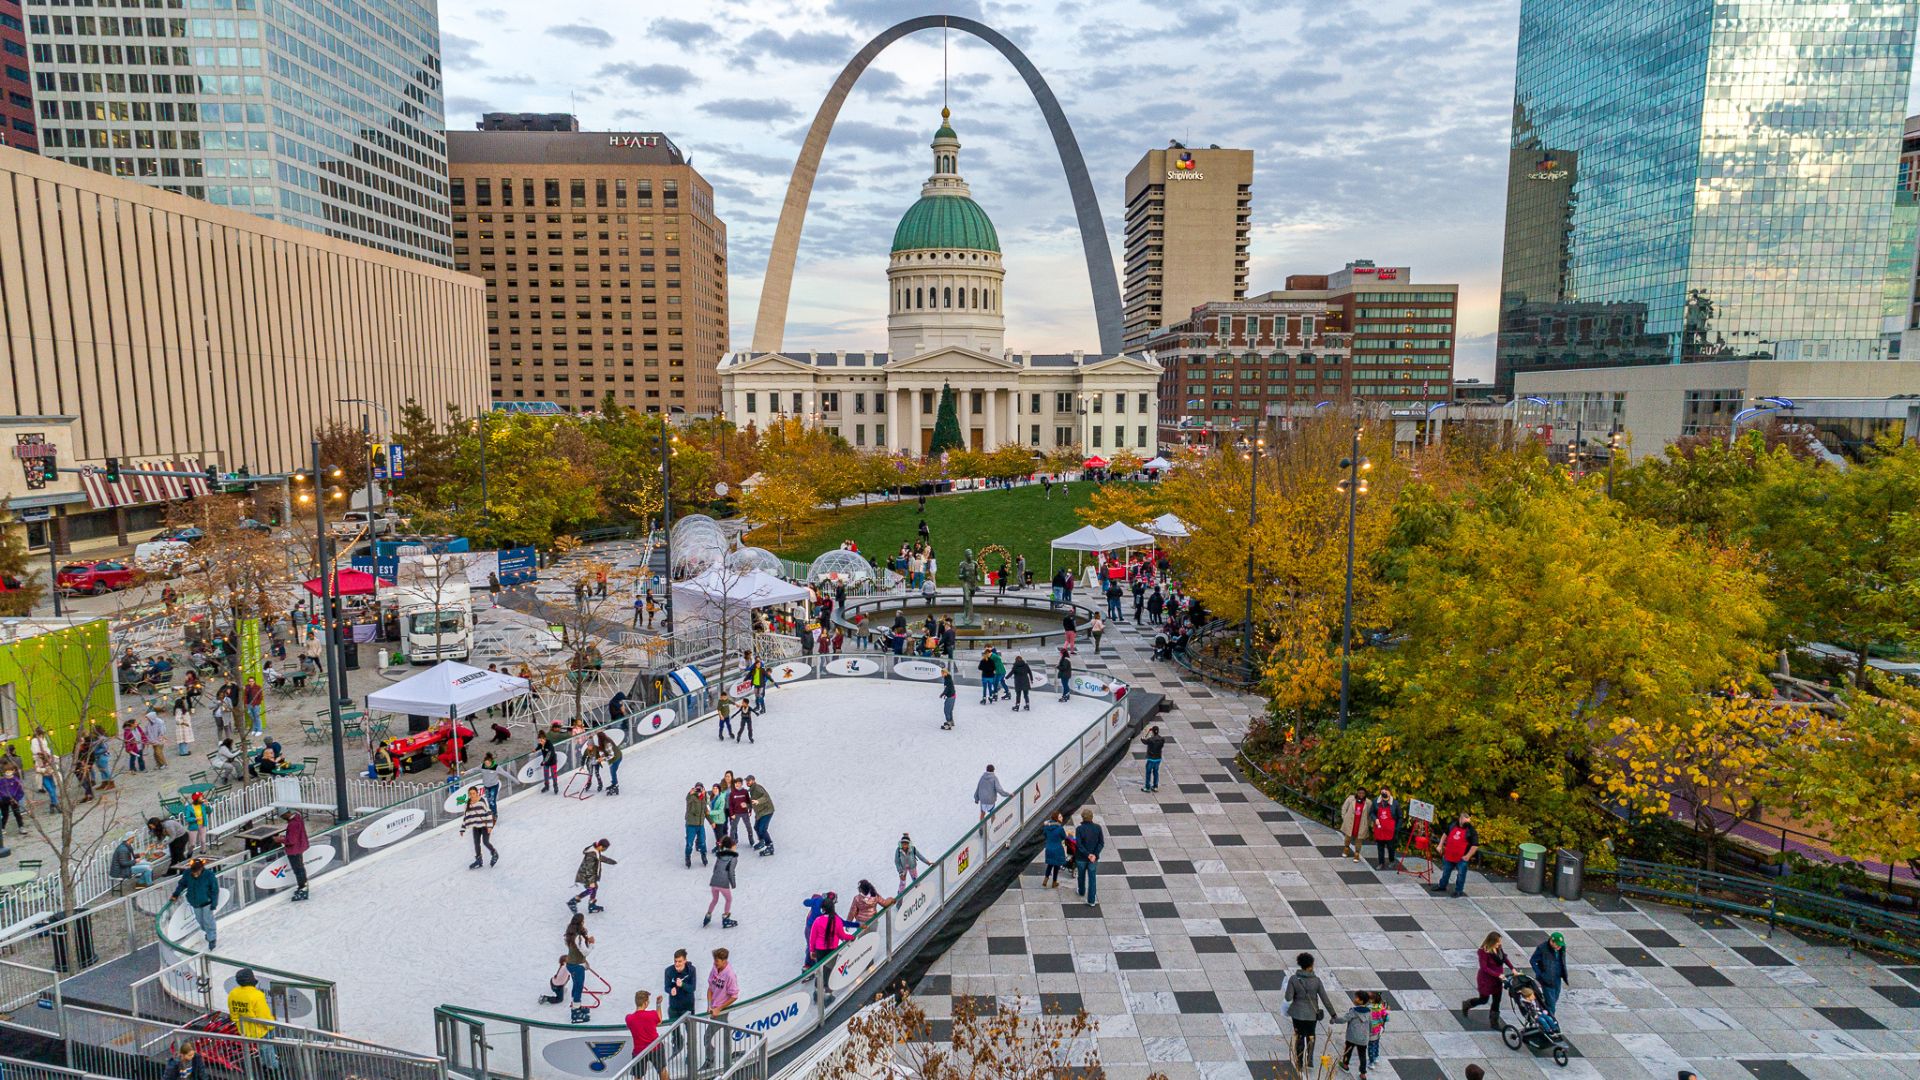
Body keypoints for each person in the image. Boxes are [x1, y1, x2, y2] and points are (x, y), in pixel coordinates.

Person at [1283, 953, 1337, 1071]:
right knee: (1311, 1035)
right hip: (1312, 1014)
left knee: (1300, 1036)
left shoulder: (1293, 979)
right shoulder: (1316, 981)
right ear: (1311, 965)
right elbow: (1325, 999)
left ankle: (1299, 1062)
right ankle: (1310, 1059)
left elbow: (1288, 998)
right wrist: (1333, 1014)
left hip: (1297, 1013)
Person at [226, 968, 278, 1070]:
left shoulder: (233, 994)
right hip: (260, 1030)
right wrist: (271, 1026)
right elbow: (264, 1016)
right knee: (267, 1048)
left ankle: (264, 1064)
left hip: (244, 1029)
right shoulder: (257, 995)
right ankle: (273, 1067)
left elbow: (234, 1014)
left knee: (261, 1048)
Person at [1462, 931, 1514, 1028]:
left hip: (1498, 980)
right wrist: (1498, 974)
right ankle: (1467, 1004)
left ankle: (1494, 1022)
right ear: (1492, 941)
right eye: (1498, 942)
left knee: (1497, 1001)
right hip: (1486, 981)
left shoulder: (1499, 949)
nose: (1500, 943)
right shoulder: (1484, 952)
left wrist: (1512, 968)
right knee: (1483, 1000)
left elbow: (1504, 958)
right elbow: (1484, 968)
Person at [171, 859, 221, 949]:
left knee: (208, 920)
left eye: (196, 872)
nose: (195, 874)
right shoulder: (187, 874)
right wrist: (176, 894)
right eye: (193, 872)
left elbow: (214, 890)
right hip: (195, 903)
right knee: (200, 921)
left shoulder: (209, 875)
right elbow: (182, 884)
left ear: (201, 869)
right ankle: (209, 933)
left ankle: (212, 938)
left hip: (207, 902)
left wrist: (214, 902)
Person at [1432, 811, 1480, 897]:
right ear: (1460, 819)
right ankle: (1442, 886)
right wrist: (1440, 845)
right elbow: (1445, 835)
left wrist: (1468, 856)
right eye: (1465, 822)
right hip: (1449, 855)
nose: (1467, 824)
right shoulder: (1452, 825)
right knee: (1445, 872)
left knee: (1461, 875)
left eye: (1468, 822)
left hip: (1461, 858)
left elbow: (1475, 845)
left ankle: (1458, 891)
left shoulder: (1471, 830)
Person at [626, 990, 667, 1080]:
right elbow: (659, 1020)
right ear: (645, 1003)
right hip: (655, 1047)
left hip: (639, 1050)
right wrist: (658, 1005)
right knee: (662, 1070)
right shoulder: (651, 1014)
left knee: (638, 1076)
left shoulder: (629, 1018)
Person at [806, 892, 854, 967]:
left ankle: (809, 968)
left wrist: (812, 950)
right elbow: (842, 935)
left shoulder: (817, 921)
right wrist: (852, 936)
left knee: (820, 966)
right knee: (830, 966)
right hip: (832, 948)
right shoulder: (837, 920)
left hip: (820, 948)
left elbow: (812, 938)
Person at [570, 839, 617, 913]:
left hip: (590, 875)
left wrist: (610, 861)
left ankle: (591, 905)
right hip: (586, 876)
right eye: (604, 848)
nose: (604, 850)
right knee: (591, 889)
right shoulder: (591, 855)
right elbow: (589, 869)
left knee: (594, 888)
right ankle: (573, 901)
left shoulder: (595, 850)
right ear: (601, 846)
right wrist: (591, 881)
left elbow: (599, 857)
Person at [563, 913, 595, 1023]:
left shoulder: (570, 934)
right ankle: (575, 1013)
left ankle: (577, 1006)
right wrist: (591, 944)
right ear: (581, 923)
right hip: (577, 966)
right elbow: (585, 952)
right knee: (578, 988)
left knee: (576, 986)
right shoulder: (578, 937)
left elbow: (576, 951)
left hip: (572, 964)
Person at [1530, 932, 1570, 1015]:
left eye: (1561, 945)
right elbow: (1533, 960)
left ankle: (1544, 1014)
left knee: (1554, 1000)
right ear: (1552, 941)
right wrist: (1540, 974)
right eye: (1557, 945)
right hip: (1546, 979)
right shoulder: (1542, 948)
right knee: (1551, 1005)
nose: (1559, 947)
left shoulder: (1561, 948)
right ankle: (1551, 1023)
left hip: (1557, 978)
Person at [461, 787, 499, 869]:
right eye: (470, 794)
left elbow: (488, 813)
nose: (472, 795)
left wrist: (489, 826)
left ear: (477, 793)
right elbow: (466, 817)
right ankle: (479, 860)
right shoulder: (467, 804)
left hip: (484, 826)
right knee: (476, 843)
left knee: (485, 842)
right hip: (476, 826)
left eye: (473, 793)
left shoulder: (481, 802)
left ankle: (494, 853)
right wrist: (462, 829)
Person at [1073, 807, 1104, 906]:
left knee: (1081, 876)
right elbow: (1101, 843)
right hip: (1093, 859)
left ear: (1082, 818)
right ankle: (1091, 900)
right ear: (1092, 817)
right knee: (1092, 879)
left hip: (1081, 858)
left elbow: (1079, 844)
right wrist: (1094, 854)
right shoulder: (1098, 828)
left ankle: (1081, 891)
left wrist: (1088, 854)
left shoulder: (1079, 829)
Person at [705, 836, 738, 928]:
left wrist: (716, 877)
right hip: (723, 884)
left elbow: (715, 868)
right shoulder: (733, 858)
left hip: (714, 882)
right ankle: (725, 918)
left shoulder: (720, 855)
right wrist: (733, 883)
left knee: (714, 900)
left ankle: (708, 915)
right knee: (729, 899)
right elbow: (731, 872)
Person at [1340, 991, 1372, 1078]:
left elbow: (1344, 1019)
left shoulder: (1353, 1011)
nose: (1355, 999)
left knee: (1348, 1051)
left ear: (1361, 1001)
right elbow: (1370, 1024)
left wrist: (1335, 1020)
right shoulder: (1369, 1012)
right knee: (1362, 1055)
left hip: (1352, 1036)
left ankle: (1345, 1065)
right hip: (1363, 1038)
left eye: (1357, 998)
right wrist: (1370, 1034)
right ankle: (1363, 1073)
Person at [281, 810, 311, 899]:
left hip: (294, 850)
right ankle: (303, 887)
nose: (282, 818)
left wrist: (281, 840)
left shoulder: (292, 824)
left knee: (298, 870)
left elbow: (291, 840)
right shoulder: (298, 819)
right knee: (300, 868)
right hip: (299, 848)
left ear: (287, 813)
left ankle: (303, 889)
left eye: (283, 816)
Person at [1338, 789, 1372, 861]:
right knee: (1348, 837)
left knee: (1359, 839)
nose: (1361, 795)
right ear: (1357, 793)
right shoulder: (1351, 799)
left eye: (1363, 793)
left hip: (1361, 823)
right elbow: (1344, 808)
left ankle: (1357, 854)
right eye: (1359, 793)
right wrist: (1344, 818)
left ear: (1365, 794)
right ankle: (1346, 848)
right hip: (1350, 822)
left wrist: (1367, 824)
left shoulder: (1368, 802)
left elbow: (1369, 814)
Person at [706, 948, 738, 1024]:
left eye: (717, 961)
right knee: (722, 1032)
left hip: (722, 1009)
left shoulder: (730, 975)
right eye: (714, 960)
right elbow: (710, 988)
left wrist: (719, 1009)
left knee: (708, 1035)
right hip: (713, 1008)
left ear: (724, 961)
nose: (714, 963)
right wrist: (709, 1005)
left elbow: (734, 996)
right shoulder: (715, 967)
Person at [747, 775, 774, 856]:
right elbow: (753, 802)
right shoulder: (752, 790)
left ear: (754, 780)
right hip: (760, 813)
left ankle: (770, 846)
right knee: (756, 827)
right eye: (747, 781)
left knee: (762, 829)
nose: (748, 782)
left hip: (767, 811)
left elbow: (765, 797)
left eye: (749, 780)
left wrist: (758, 801)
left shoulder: (757, 788)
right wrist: (748, 806)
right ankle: (762, 841)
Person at [1372, 789, 1399, 870]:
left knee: (1391, 847)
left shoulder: (1395, 803)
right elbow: (1372, 812)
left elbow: (1400, 817)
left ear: (1389, 792)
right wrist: (1375, 819)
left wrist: (1396, 828)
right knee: (1380, 847)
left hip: (1390, 830)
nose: (1384, 793)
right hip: (1380, 829)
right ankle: (1381, 863)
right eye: (1382, 792)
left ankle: (1392, 861)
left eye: (1386, 791)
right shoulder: (1376, 801)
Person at [685, 782, 709, 868]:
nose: (698, 790)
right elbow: (688, 800)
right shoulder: (692, 797)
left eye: (700, 788)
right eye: (697, 788)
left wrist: (712, 822)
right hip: (691, 824)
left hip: (700, 824)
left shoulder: (703, 798)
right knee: (689, 843)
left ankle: (703, 855)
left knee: (702, 842)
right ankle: (687, 856)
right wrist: (690, 793)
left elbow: (706, 811)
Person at [1041, 812, 1068, 889]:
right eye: (1060, 817)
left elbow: (1045, 834)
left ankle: (1045, 880)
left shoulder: (1047, 827)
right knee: (1056, 865)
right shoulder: (1060, 828)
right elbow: (1064, 837)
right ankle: (1054, 882)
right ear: (1056, 819)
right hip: (1057, 849)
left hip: (1049, 848)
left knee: (1050, 864)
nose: (1062, 817)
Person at [1367, 991, 1389, 1069]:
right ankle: (1376, 1057)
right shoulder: (1381, 1007)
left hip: (1370, 1030)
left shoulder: (1369, 1008)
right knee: (1376, 1043)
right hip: (1378, 1029)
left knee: (1370, 1046)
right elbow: (1387, 1017)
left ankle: (1371, 1062)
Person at [725, 779, 752, 844]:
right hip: (736, 813)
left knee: (749, 827)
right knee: (733, 828)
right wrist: (732, 814)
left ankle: (751, 840)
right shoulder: (732, 793)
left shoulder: (745, 792)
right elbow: (730, 805)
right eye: (736, 783)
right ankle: (732, 842)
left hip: (745, 813)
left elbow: (748, 802)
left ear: (741, 784)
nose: (737, 784)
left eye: (739, 783)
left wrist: (750, 810)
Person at [1140, 725, 1166, 792]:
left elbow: (1143, 740)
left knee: (1148, 773)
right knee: (1156, 772)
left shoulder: (1150, 740)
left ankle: (1147, 787)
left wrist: (1145, 735)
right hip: (1158, 759)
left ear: (1152, 732)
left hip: (1151, 759)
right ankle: (1155, 786)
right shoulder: (1162, 739)